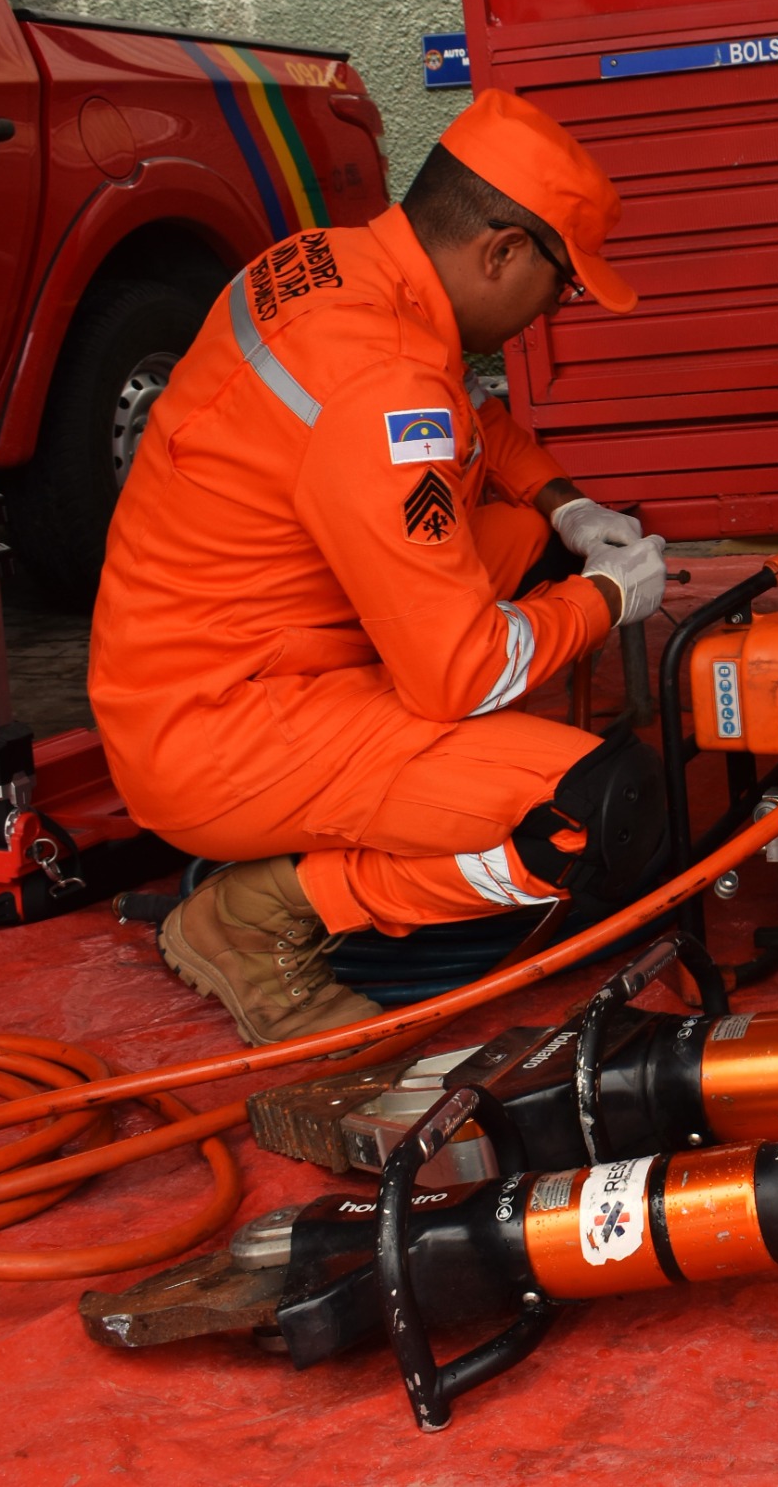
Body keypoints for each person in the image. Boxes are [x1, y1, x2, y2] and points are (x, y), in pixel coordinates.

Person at [91, 91, 671, 1045]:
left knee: (517, 535)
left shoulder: (339, 266)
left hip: (196, 667)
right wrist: (605, 597)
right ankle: (265, 911)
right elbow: (464, 672)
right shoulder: (382, 383)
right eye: (561, 287)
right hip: (225, 728)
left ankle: (373, 812)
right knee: (591, 813)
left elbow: (470, 414)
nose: (550, 314)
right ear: (501, 252)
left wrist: (563, 504)